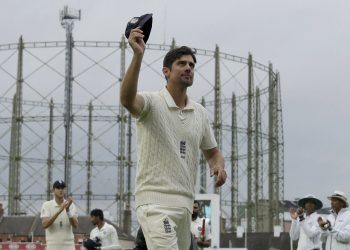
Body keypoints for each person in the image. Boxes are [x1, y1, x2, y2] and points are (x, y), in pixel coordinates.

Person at [120, 27, 227, 250]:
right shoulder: (152, 102)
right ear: (166, 71)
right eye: (181, 63)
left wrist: (219, 167)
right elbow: (127, 100)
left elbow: (213, 153)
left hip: (185, 206)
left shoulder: (199, 113)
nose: (188, 67)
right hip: (155, 204)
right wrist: (138, 56)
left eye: (191, 65)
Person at [40, 180, 78, 250]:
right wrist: (59, 210)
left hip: (69, 247)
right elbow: (45, 224)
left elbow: (75, 225)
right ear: (53, 190)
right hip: (52, 246)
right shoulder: (47, 205)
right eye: (58, 188)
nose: (61, 190)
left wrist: (67, 210)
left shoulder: (71, 205)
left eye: (63, 188)